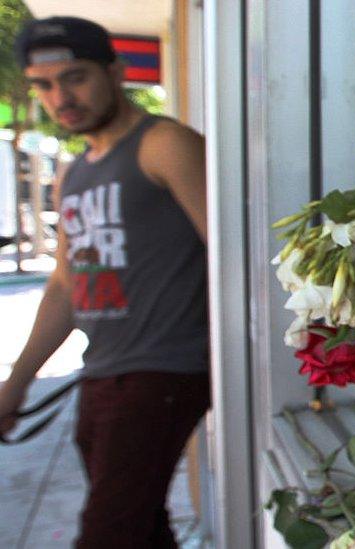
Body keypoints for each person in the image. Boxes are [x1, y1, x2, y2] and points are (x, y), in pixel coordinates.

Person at [0, 17, 209, 548]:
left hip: (163, 372)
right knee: (141, 526)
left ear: (115, 73)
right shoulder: (75, 172)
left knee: (108, 535)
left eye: (75, 77)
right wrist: (16, 383)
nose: (60, 97)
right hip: (103, 374)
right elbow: (65, 289)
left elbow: (238, 257)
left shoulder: (164, 145)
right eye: (44, 85)